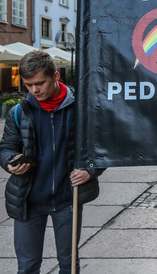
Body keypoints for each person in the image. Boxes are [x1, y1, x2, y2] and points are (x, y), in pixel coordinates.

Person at [0, 50, 103, 274]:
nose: (34, 90)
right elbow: (6, 148)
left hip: (68, 199)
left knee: (68, 264)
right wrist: (10, 162)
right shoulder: (18, 112)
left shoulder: (83, 109)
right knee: (27, 266)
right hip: (28, 200)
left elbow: (102, 145)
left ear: (56, 76)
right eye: (28, 85)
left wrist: (90, 170)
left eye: (40, 83)